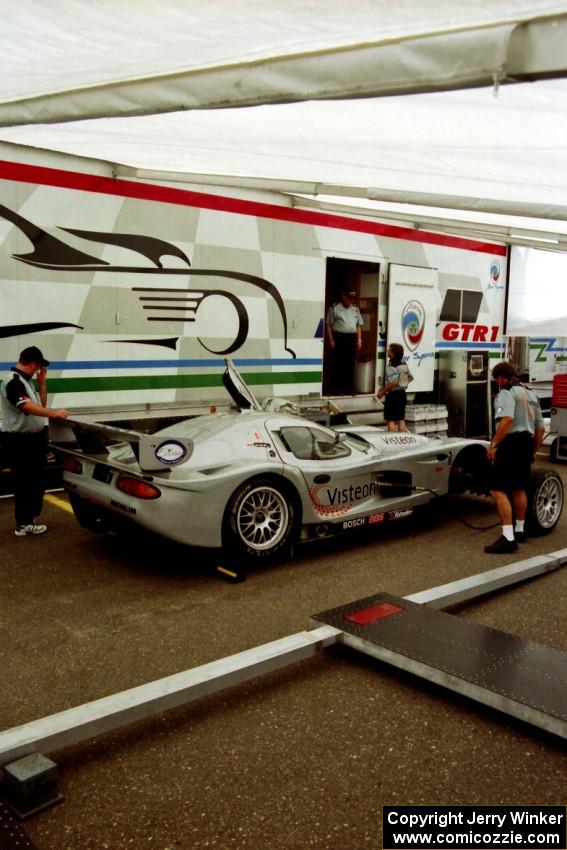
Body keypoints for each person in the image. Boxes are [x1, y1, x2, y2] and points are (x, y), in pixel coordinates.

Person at [0, 346, 69, 536]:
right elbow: (27, 407)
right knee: (25, 483)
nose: (38, 370)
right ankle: (24, 524)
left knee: (35, 482)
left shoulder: (25, 382)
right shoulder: (13, 382)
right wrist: (55, 413)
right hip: (21, 441)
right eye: (38, 367)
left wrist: (42, 384)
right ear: (32, 363)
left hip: (32, 439)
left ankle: (27, 520)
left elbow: (40, 406)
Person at [484, 361, 545, 554]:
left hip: (510, 443)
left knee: (497, 490)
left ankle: (508, 538)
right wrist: (533, 451)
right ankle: (519, 530)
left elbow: (507, 420)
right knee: (519, 488)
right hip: (526, 443)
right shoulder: (531, 394)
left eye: (496, 379)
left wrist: (494, 445)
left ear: (501, 378)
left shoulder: (506, 392)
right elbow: (540, 429)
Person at [325, 287, 363, 394]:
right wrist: (331, 340)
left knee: (350, 364)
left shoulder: (355, 308)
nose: (352, 301)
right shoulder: (334, 308)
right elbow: (328, 324)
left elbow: (358, 325)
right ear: (343, 297)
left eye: (353, 299)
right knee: (338, 364)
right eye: (349, 298)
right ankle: (337, 389)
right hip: (339, 338)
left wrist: (359, 340)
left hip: (351, 338)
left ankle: (349, 388)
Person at [377, 343, 413, 432]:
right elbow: (410, 378)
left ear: (394, 353)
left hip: (393, 395)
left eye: (389, 350)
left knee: (391, 419)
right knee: (401, 418)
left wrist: (382, 392)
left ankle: (392, 438)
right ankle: (402, 439)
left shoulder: (391, 366)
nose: (387, 351)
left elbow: (392, 383)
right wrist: (402, 383)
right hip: (402, 394)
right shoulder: (404, 364)